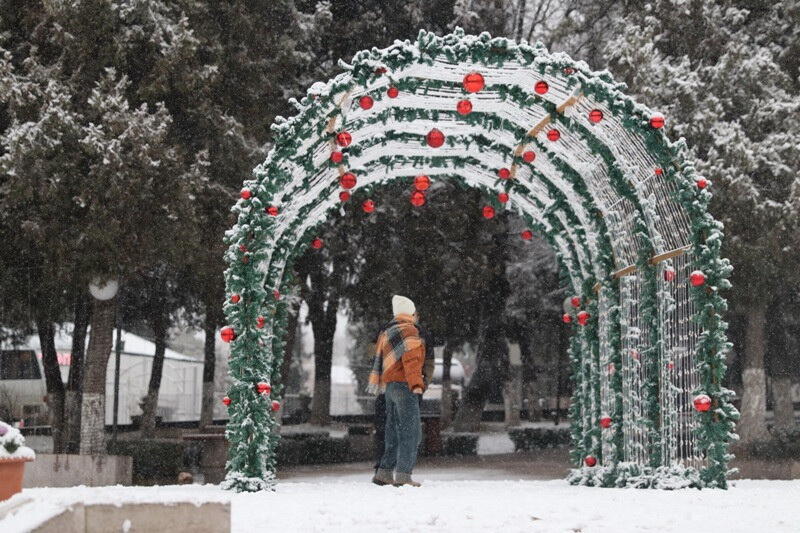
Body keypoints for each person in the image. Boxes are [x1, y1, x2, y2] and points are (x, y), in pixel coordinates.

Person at [368, 295, 426, 487]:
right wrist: (416, 384)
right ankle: (403, 475)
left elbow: (383, 361)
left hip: (390, 387)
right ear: (410, 313)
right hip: (405, 385)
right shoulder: (409, 331)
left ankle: (384, 472)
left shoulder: (388, 332)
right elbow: (412, 361)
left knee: (392, 431)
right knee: (411, 431)